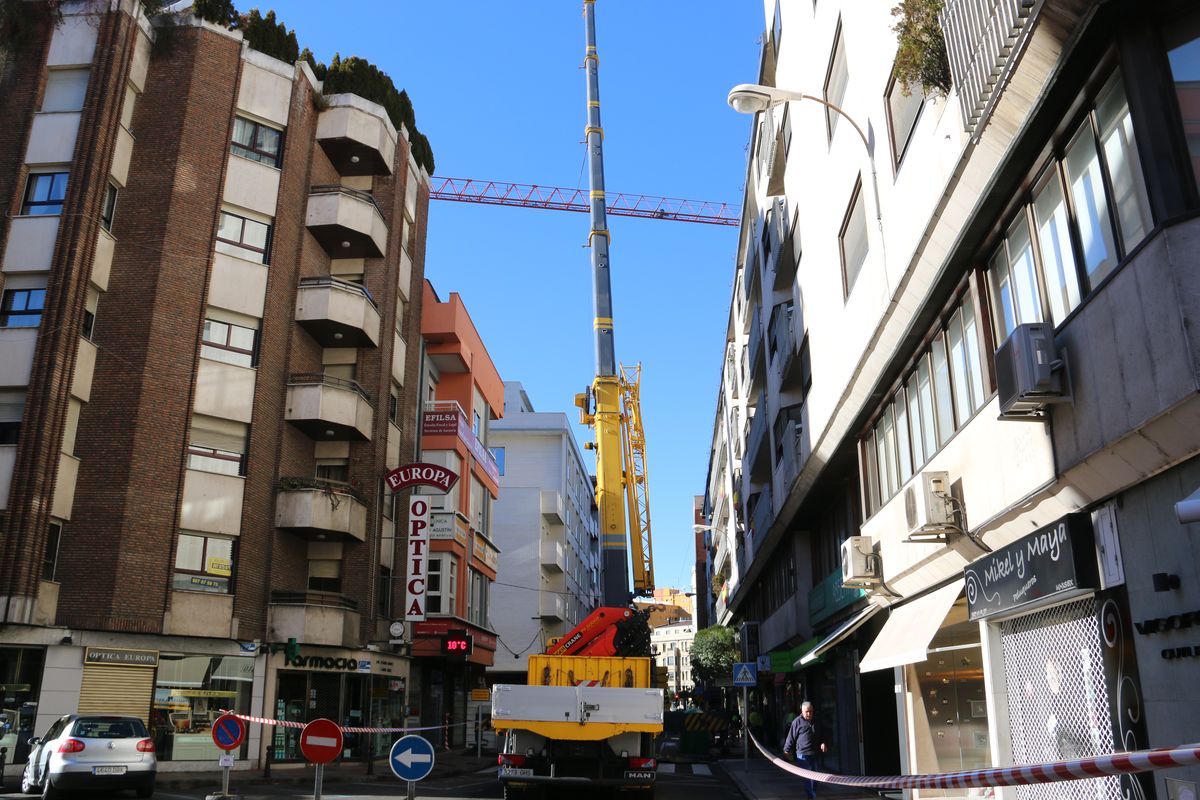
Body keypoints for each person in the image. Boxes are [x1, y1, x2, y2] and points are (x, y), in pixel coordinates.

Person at [782, 701, 827, 800]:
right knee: (807, 777)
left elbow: (822, 734)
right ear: (802, 711)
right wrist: (786, 750)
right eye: (807, 712)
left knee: (816, 777)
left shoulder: (817, 721)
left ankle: (812, 794)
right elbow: (791, 737)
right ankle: (811, 797)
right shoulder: (797, 722)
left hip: (815, 753)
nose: (809, 714)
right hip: (802, 754)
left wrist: (823, 743)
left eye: (811, 711)